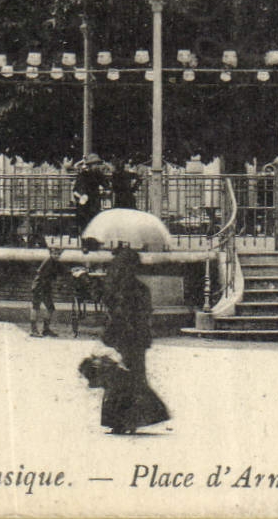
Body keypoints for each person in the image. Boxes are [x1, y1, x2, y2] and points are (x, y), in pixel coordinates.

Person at [84, 244, 168, 433]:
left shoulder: (117, 289)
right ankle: (135, 419)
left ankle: (121, 421)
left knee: (120, 379)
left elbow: (108, 305)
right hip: (137, 338)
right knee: (135, 377)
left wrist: (86, 279)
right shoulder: (140, 288)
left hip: (123, 337)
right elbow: (145, 313)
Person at [30, 247, 66, 337]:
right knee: (36, 307)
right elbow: (41, 274)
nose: (57, 256)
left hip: (45, 288)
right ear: (51, 253)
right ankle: (33, 330)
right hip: (39, 287)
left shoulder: (56, 263)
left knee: (50, 308)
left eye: (58, 254)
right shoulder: (48, 261)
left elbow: (64, 270)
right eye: (55, 254)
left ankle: (46, 329)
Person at [72, 156, 106, 230]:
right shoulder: (83, 175)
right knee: (85, 225)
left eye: (97, 164)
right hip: (85, 204)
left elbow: (106, 186)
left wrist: (103, 191)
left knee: (94, 224)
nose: (97, 166)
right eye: (95, 164)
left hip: (94, 203)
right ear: (90, 165)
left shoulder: (99, 175)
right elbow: (75, 190)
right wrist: (81, 197)